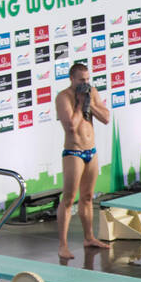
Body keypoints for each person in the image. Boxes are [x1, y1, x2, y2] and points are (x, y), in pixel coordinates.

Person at [54, 61, 111, 259]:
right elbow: (70, 126)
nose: (85, 83)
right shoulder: (64, 97)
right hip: (74, 153)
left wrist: (90, 103)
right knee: (69, 199)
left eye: (87, 79)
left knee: (87, 197)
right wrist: (79, 104)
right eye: (81, 80)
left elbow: (106, 118)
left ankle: (89, 237)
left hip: (91, 152)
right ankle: (63, 245)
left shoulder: (91, 92)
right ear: (72, 79)